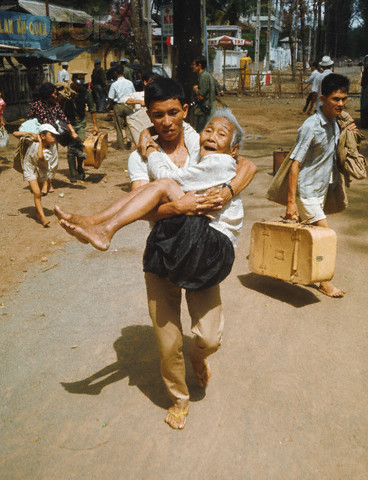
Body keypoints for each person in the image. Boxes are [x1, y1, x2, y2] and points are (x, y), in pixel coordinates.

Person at [57, 78, 256, 429]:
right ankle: (179, 399)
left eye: (173, 113)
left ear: (185, 110)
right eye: (157, 115)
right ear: (148, 115)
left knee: (209, 336)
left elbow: (247, 164)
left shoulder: (200, 140)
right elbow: (143, 208)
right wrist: (179, 205)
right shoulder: (139, 156)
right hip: (164, 248)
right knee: (167, 342)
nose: (166, 123)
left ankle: (198, 357)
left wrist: (226, 191)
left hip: (201, 249)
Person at [55, 108, 243, 255]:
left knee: (164, 184)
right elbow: (181, 125)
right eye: (208, 131)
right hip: (202, 232)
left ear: (233, 150)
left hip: (216, 240)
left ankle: (104, 229)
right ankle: (93, 222)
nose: (211, 137)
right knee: (154, 187)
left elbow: (169, 179)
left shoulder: (221, 161)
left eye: (221, 134)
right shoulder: (207, 154)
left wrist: (152, 151)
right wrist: (147, 131)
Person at [285, 73, 356, 298]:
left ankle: (297, 269)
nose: (341, 104)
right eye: (336, 99)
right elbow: (294, 164)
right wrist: (290, 203)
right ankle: (325, 283)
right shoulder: (311, 127)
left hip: (321, 191)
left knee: (313, 235)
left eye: (344, 99)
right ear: (323, 98)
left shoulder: (335, 122)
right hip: (307, 193)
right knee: (326, 236)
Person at [13, 124, 59, 227]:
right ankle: (43, 218)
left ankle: (36, 212)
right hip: (29, 168)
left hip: (41, 171)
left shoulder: (50, 149)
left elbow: (40, 156)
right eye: (51, 135)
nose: (54, 138)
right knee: (37, 193)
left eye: (54, 135)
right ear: (43, 136)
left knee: (37, 194)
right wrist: (30, 134)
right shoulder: (33, 140)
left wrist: (39, 141)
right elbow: (15, 134)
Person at [60, 72, 98, 182]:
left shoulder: (86, 92)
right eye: (77, 83)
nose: (79, 85)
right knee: (71, 148)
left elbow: (92, 109)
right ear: (73, 80)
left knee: (80, 146)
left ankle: (80, 169)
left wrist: (95, 125)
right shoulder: (66, 90)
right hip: (69, 122)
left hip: (80, 122)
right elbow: (59, 107)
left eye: (81, 83)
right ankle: (72, 172)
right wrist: (63, 96)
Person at [121, 72, 159, 146]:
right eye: (152, 81)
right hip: (140, 126)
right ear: (145, 82)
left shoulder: (158, 95)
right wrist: (139, 101)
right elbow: (122, 100)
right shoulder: (138, 95)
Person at [108, 64, 136, 149]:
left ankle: (121, 145)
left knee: (119, 127)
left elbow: (111, 97)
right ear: (123, 72)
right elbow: (133, 94)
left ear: (115, 73)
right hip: (129, 105)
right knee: (128, 124)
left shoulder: (114, 84)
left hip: (119, 105)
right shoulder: (129, 83)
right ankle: (128, 140)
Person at [191, 55, 217, 132]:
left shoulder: (203, 76)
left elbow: (201, 96)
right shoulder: (205, 75)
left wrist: (195, 89)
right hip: (207, 109)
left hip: (205, 110)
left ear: (199, 65)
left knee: (201, 131)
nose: (192, 66)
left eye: (193, 64)